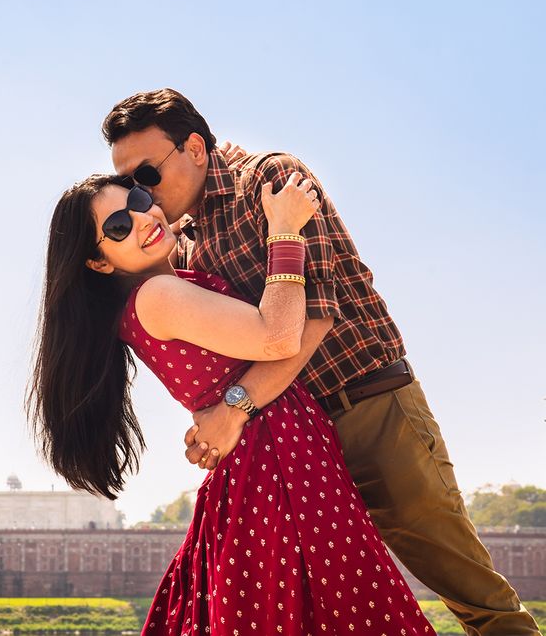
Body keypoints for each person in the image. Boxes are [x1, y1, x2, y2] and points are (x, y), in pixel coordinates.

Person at [100, 88, 539, 635]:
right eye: (130, 186)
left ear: (193, 146)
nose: (142, 194)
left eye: (146, 175)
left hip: (370, 407)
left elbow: (313, 319)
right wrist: (213, 414)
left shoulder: (272, 183)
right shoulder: (182, 242)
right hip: (291, 444)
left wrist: (235, 407)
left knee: (467, 588)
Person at [28, 172, 435, 634]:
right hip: (277, 465)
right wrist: (284, 230)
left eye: (141, 199)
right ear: (99, 263)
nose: (143, 218)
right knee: (353, 608)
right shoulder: (158, 295)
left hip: (264, 462)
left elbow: (173, 228)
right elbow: (277, 336)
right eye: (119, 227)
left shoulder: (156, 289)